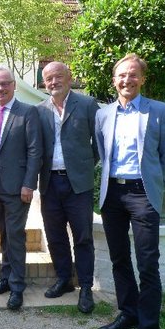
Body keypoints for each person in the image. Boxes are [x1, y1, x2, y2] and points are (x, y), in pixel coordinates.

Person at [95, 53, 165, 329]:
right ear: (114, 80)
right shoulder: (103, 114)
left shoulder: (159, 111)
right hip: (113, 193)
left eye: (132, 75)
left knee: (147, 263)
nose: (126, 80)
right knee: (119, 259)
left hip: (143, 194)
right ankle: (127, 313)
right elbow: (103, 153)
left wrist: (155, 187)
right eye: (121, 75)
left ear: (142, 79)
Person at [36, 62, 100, 314]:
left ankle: (85, 287)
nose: (53, 82)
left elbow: (99, 142)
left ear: (69, 77)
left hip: (78, 184)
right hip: (50, 182)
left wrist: (85, 165)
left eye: (58, 77)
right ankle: (64, 279)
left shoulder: (86, 104)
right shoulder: (39, 110)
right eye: (48, 78)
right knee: (55, 235)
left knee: (82, 237)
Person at [0, 67, 42, 310]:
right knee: (4, 232)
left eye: (5, 84)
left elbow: (35, 150)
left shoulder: (28, 112)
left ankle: (17, 286)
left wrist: (29, 183)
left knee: (15, 234)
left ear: (14, 85)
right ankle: (6, 278)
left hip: (17, 187)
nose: (1, 88)